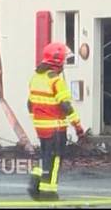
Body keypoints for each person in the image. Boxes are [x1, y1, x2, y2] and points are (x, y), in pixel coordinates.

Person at [27, 42, 85, 200]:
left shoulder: (36, 78)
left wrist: (37, 122)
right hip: (55, 128)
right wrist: (78, 128)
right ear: (57, 60)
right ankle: (49, 193)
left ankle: (34, 183)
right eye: (64, 59)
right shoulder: (56, 81)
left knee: (45, 156)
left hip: (41, 128)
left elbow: (30, 104)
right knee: (54, 161)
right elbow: (66, 106)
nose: (65, 63)